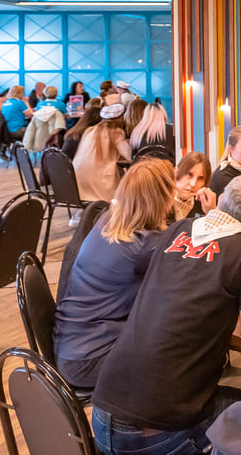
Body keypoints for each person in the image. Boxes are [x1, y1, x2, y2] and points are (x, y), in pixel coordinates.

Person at [91, 173, 241, 455]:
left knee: (233, 397)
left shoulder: (176, 229)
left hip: (102, 417)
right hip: (155, 437)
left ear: (221, 199)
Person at [54, 159, 174, 389]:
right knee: (178, 350)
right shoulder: (143, 246)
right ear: (162, 199)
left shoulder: (107, 219)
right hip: (89, 360)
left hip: (71, 344)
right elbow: (188, 267)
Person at [73, 103, 132, 203]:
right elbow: (128, 155)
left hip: (78, 178)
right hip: (100, 181)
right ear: (120, 118)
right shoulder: (116, 132)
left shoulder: (89, 130)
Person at [172, 151, 213, 220]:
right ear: (176, 172)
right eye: (189, 175)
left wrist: (211, 211)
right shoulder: (162, 200)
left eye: (200, 178)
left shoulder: (200, 202)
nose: (193, 184)